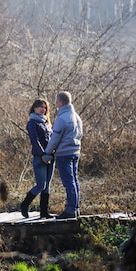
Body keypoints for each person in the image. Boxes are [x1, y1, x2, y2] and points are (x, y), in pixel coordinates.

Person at [42, 91, 83, 219]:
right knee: (74, 180)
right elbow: (80, 134)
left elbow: (55, 138)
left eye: (57, 101)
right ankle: (75, 208)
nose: (55, 104)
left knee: (68, 181)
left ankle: (70, 209)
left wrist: (47, 152)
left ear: (61, 102)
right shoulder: (76, 116)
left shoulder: (63, 117)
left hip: (64, 153)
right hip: (75, 151)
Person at [20, 99, 55, 218]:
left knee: (48, 185)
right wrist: (42, 155)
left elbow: (52, 139)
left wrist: (52, 152)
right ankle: (25, 204)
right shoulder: (32, 123)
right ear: (34, 108)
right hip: (40, 158)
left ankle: (44, 212)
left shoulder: (46, 122)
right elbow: (35, 141)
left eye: (45, 108)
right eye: (40, 107)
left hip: (51, 157)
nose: (43, 109)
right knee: (41, 185)